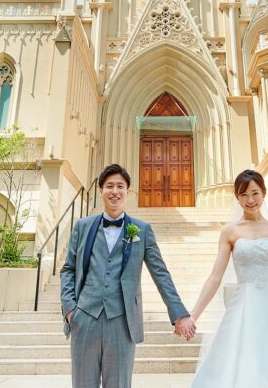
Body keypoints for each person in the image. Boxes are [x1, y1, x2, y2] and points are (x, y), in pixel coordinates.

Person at [60, 163, 197, 388]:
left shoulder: (141, 230)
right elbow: (68, 270)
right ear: (101, 190)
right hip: (84, 318)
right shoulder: (82, 226)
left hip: (122, 322)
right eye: (109, 186)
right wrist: (70, 310)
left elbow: (160, 273)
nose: (115, 191)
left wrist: (179, 313)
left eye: (120, 186)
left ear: (127, 191)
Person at [189, 169, 268, 387]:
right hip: (243, 305)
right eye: (244, 195)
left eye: (255, 193)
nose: (250, 200)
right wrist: (193, 316)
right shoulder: (230, 232)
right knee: (241, 365)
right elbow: (214, 277)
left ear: (264, 193)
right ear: (237, 198)